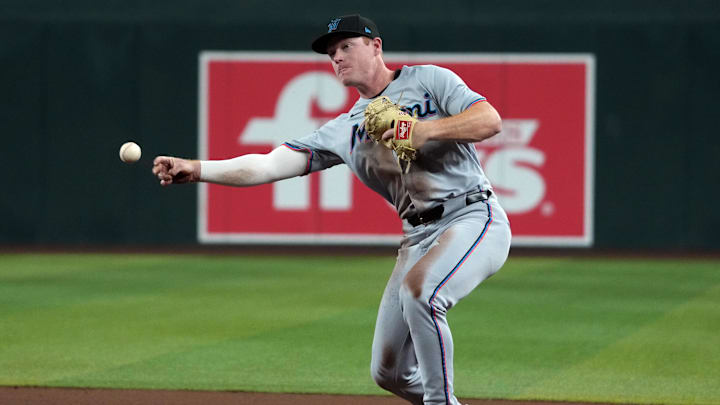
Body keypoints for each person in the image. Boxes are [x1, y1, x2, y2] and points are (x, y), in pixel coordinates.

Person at [152, 14, 511, 405]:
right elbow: (268, 164)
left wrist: (425, 130)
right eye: (331, 52)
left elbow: (488, 120)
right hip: (417, 237)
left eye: (346, 46)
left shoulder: (429, 80)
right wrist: (199, 169)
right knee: (388, 373)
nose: (336, 57)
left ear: (376, 46)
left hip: (473, 216)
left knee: (421, 293)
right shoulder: (342, 130)